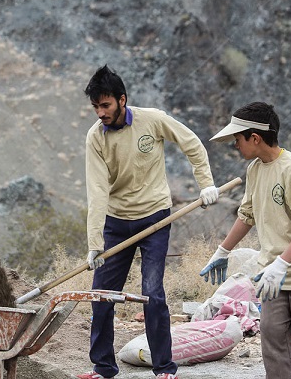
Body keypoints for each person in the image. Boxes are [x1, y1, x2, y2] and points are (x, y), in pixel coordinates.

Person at [77, 65, 219, 379]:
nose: (100, 113)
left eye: (106, 105)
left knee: (152, 293)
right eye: (96, 107)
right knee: (102, 295)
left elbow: (191, 142)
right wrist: (94, 244)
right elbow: (98, 191)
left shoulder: (151, 119)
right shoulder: (95, 138)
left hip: (155, 217)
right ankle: (102, 367)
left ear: (122, 99)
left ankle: (164, 369)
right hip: (116, 223)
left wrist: (206, 183)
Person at [200, 102, 291, 378]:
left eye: (237, 139)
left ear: (255, 138)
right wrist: (222, 251)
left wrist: (282, 263)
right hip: (271, 279)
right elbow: (247, 215)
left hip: (290, 272)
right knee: (274, 345)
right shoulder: (255, 170)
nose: (235, 146)